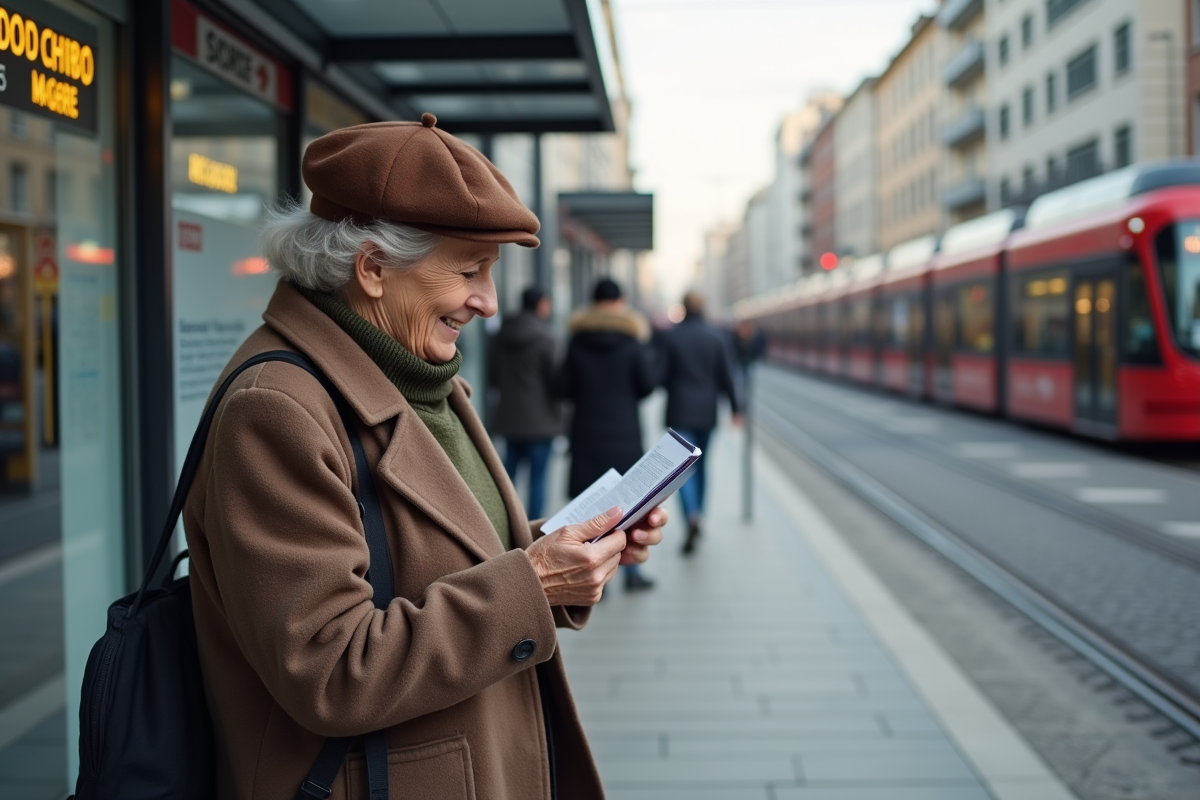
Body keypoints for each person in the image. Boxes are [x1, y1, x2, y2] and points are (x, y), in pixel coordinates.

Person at [183, 115, 666, 800]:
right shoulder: (277, 409)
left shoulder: (421, 379)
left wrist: (571, 550)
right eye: (470, 270)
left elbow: (448, 555)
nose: (489, 303)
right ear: (374, 269)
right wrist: (535, 583)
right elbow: (329, 666)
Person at [557, 277, 658, 591]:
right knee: (627, 505)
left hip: (587, 431)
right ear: (620, 303)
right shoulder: (631, 343)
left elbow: (563, 387)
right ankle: (631, 574)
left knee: (589, 503)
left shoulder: (577, 341)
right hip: (623, 432)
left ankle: (592, 575)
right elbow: (646, 385)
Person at [658, 291, 741, 554]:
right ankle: (699, 516)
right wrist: (737, 408)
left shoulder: (672, 337)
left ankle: (690, 516)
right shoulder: (717, 336)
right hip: (707, 411)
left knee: (682, 471)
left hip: (680, 410)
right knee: (703, 467)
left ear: (683, 308)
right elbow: (728, 374)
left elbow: (660, 375)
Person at [489, 286, 560, 518]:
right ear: (541, 305)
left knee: (507, 478)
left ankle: (504, 523)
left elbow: (493, 377)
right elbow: (556, 381)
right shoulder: (546, 337)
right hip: (541, 421)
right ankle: (532, 529)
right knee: (537, 479)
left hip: (510, 418)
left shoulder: (502, 336)